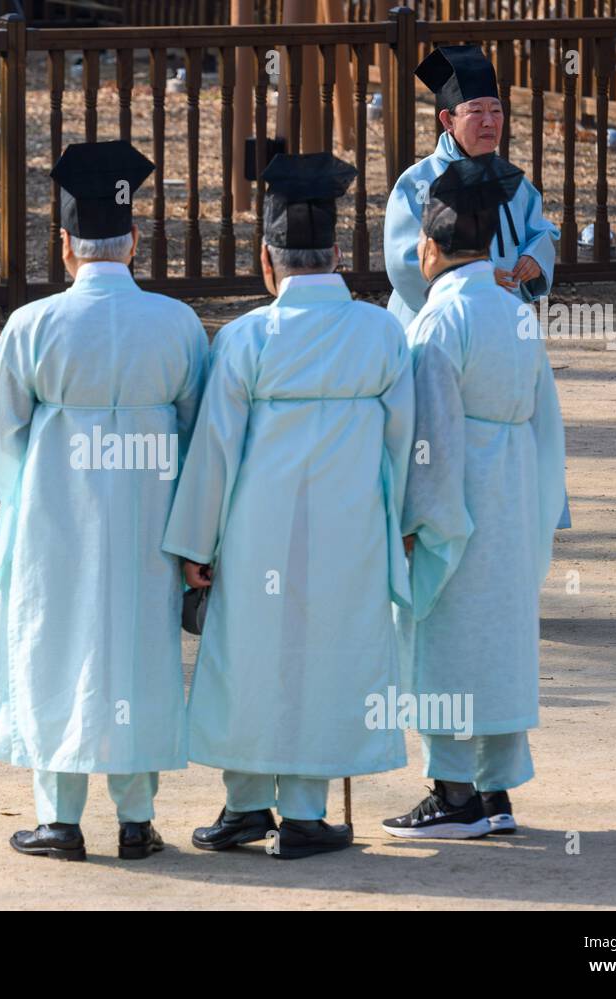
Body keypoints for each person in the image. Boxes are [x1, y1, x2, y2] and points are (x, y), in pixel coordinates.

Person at [162, 152, 414, 861]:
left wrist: (196, 544)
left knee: (249, 655)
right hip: (352, 526)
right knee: (327, 655)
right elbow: (403, 441)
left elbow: (213, 450)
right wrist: (400, 525)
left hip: (257, 529)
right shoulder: (382, 332)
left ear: (267, 262)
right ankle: (303, 814)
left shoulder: (246, 337)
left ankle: (246, 805)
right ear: (337, 253)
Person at [0, 140, 209, 862]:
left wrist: (22, 489)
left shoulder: (35, 323)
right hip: (149, 510)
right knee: (140, 652)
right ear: (134, 241)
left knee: (55, 645)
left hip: (58, 510)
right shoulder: (177, 323)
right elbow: (201, 427)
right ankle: (137, 820)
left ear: (66, 245)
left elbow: (3, 418)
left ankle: (60, 819)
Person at [381, 155, 567, 839]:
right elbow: (546, 418)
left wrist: (415, 519)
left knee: (450, 631)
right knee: (503, 633)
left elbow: (426, 438)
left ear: (429, 247)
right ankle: (497, 792)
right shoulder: (516, 313)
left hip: (462, 490)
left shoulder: (437, 322)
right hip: (516, 485)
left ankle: (453, 792)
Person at [384, 44, 559, 330]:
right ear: (447, 120)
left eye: (496, 111)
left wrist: (534, 257)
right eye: (476, 111)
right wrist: (475, 278)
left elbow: (540, 231)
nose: (489, 122)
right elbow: (403, 259)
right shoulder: (417, 182)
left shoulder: (514, 183)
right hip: (435, 323)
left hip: (503, 317)